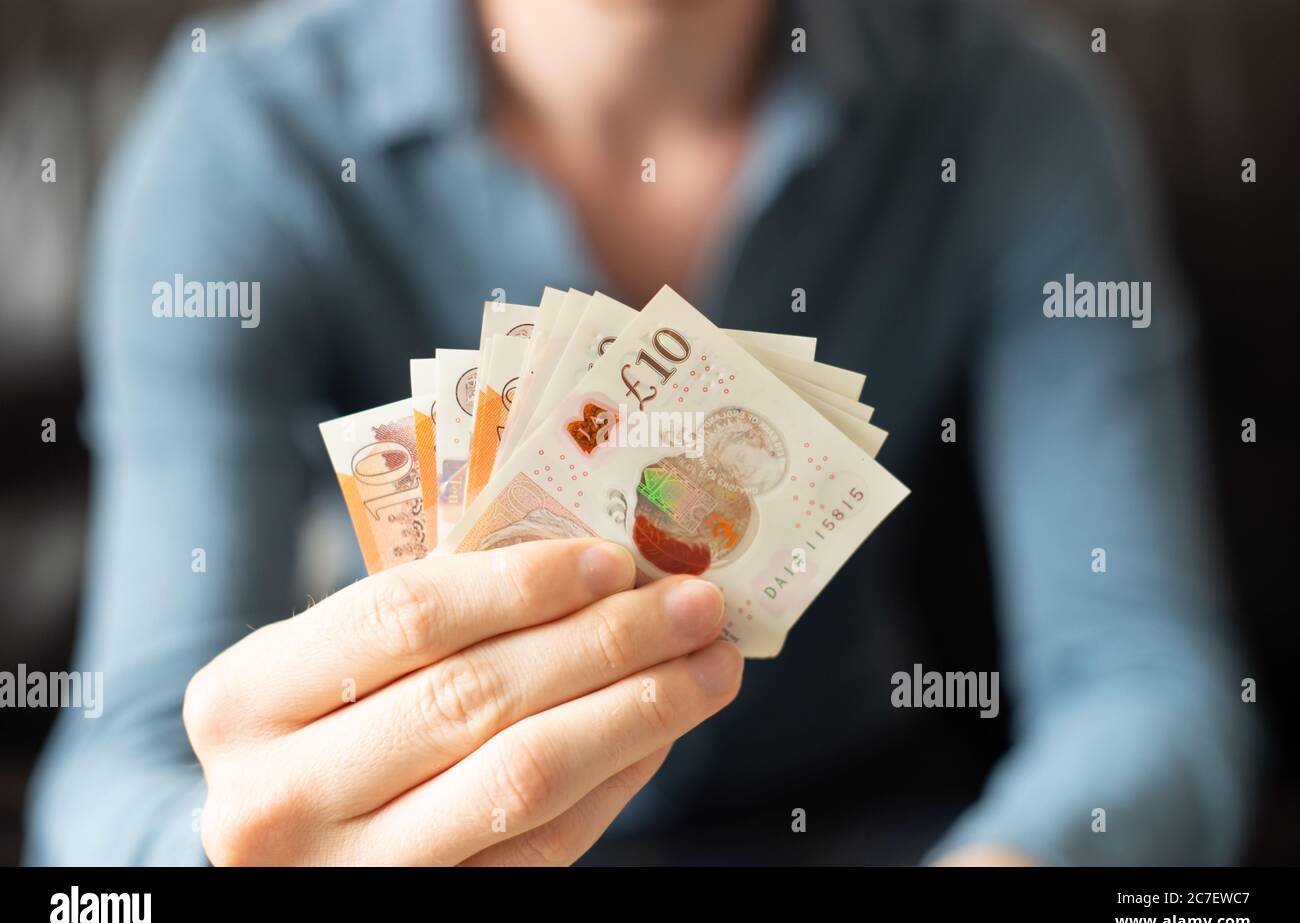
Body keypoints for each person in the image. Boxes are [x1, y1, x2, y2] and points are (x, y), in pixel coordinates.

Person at [27, 0, 1260, 865]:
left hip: (873, 828)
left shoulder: (1009, 112)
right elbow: (117, 776)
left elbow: (1144, 676)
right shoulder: (247, 136)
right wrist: (233, 856)